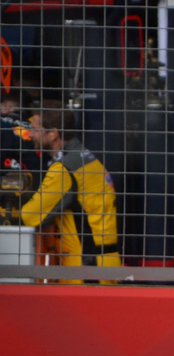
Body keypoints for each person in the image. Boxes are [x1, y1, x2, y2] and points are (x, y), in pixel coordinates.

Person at [7, 99, 122, 274]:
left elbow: (31, 216)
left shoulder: (65, 168)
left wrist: (7, 213)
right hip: (102, 261)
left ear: (53, 134)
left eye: (35, 129)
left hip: (87, 267)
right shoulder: (84, 157)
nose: (30, 134)